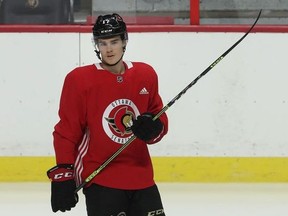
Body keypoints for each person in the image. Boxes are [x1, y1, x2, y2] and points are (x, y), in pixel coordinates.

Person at [47, 13, 168, 216]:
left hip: (141, 175)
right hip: (101, 176)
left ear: (124, 42)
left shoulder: (145, 74)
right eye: (103, 43)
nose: (109, 49)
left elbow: (158, 116)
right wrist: (63, 174)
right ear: (97, 46)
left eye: (114, 41)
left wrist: (154, 127)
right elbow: (67, 130)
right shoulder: (79, 80)